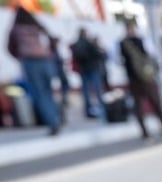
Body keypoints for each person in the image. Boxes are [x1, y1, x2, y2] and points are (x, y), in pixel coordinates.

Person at [6, 6, 60, 135]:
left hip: (30, 62)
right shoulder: (37, 27)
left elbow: (10, 47)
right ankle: (57, 118)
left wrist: (20, 56)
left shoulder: (16, 29)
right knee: (48, 91)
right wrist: (49, 54)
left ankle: (53, 122)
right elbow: (53, 41)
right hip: (46, 61)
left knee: (39, 93)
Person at [118, 20, 162, 141]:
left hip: (134, 79)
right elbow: (153, 55)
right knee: (154, 104)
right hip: (146, 77)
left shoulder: (122, 43)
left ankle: (148, 134)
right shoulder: (143, 41)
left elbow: (116, 60)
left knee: (141, 106)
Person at [71, 28, 106, 119]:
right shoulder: (89, 43)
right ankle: (103, 109)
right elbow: (98, 55)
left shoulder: (76, 44)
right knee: (97, 90)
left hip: (83, 69)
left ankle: (88, 110)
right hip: (93, 68)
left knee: (86, 91)